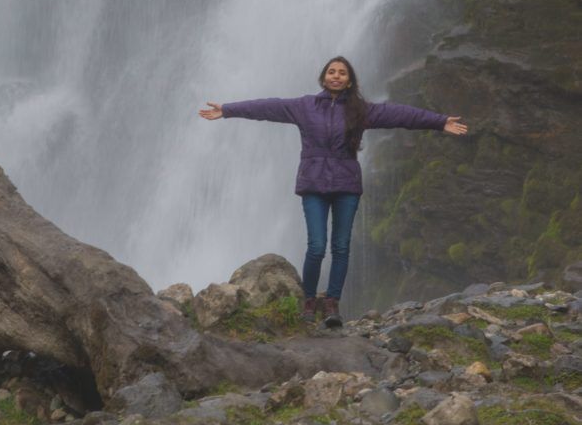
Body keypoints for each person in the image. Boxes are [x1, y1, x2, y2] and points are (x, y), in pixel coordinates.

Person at [198, 55, 467, 327]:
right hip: (313, 184)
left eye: (341, 72)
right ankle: (309, 300)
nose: (336, 76)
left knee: (341, 247)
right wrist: (228, 109)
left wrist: (439, 121)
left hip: (346, 185)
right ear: (323, 77)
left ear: (349, 80)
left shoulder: (361, 110)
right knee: (316, 246)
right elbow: (268, 107)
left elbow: (400, 114)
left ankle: (332, 304)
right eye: (331, 72)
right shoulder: (305, 106)